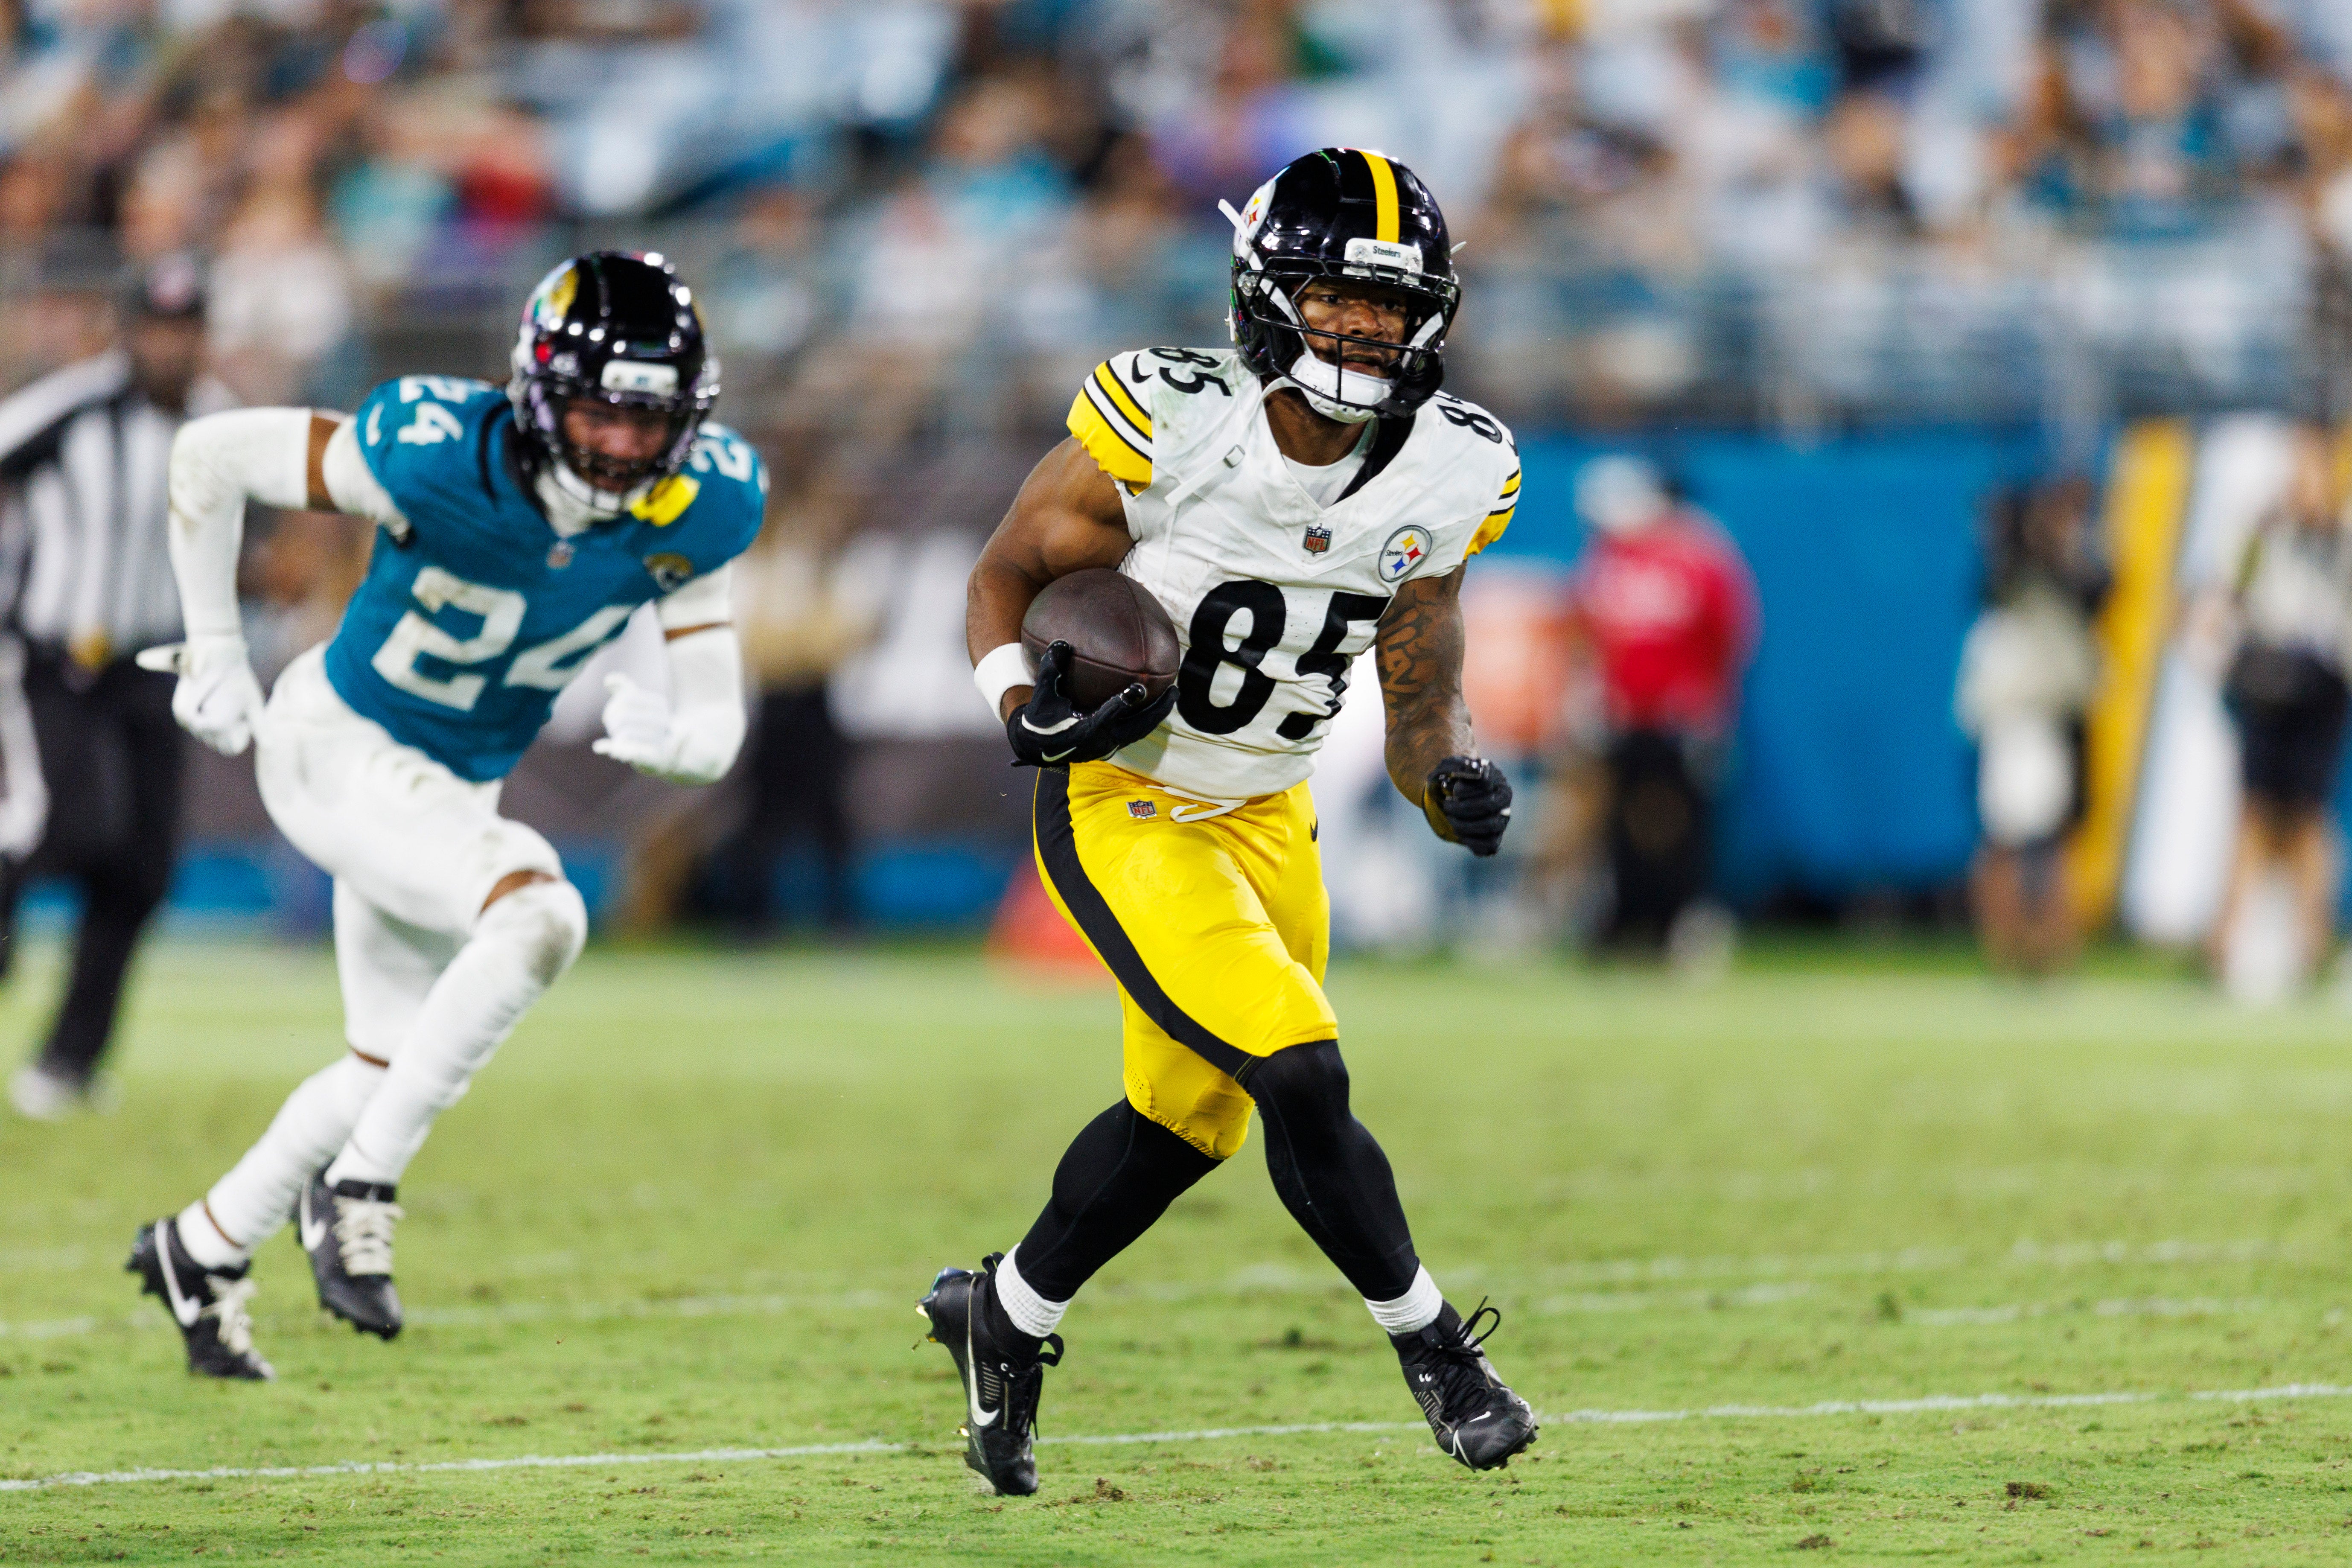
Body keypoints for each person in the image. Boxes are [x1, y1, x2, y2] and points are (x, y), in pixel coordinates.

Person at [924, 148, 1535, 1496]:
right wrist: (1016, 698)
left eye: (1391, 303)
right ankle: (1437, 1350)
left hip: (1270, 811)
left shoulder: (1454, 465)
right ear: (1269, 290)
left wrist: (1449, 779)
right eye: (1336, 296)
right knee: (1301, 1070)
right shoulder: (1171, 416)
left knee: (1186, 1121)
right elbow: (1006, 572)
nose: (1366, 327)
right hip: (1127, 799)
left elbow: (1416, 668)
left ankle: (1004, 1316)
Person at [125, 252, 766, 1380]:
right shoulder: (434, 448)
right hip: (338, 744)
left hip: (446, 791)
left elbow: (714, 707)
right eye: (596, 411)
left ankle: (203, 1245)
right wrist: (217, 652)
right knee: (538, 917)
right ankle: (358, 1187)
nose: (621, 445)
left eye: (647, 419)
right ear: (533, 391)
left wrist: (692, 742)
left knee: (386, 1059)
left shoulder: (707, 499)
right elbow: (209, 455)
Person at [0, 256, 232, 1119]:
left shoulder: (221, 424)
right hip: (59, 658)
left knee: (141, 866)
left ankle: (68, 1062)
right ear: (130, 331)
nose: (171, 346)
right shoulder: (72, 408)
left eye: (187, 329)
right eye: (158, 328)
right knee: (63, 822)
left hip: (160, 666)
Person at [1565, 456, 1757, 957]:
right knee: (1621, 820)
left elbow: (1730, 636)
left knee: (1683, 820)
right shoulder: (1605, 558)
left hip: (1682, 715)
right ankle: (1628, 921)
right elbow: (1589, 634)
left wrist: (1712, 705)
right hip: (1623, 714)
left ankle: (1683, 921)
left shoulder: (1702, 553)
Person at [2209, 423, 2352, 999]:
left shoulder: (2340, 533)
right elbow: (2230, 588)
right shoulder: (2263, 527)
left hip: (2321, 679)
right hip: (2266, 676)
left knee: (2305, 815)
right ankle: (2228, 941)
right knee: (2253, 811)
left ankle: (2307, 942)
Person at [1954, 477, 2106, 975]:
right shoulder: (2013, 569)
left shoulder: (2072, 566)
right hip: (2017, 713)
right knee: (2007, 835)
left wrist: (2063, 539)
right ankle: (2009, 944)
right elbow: (1998, 583)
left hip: (2052, 713)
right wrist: (2029, 532)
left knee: (2053, 832)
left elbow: (2100, 587)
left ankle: (2049, 944)